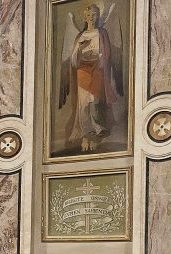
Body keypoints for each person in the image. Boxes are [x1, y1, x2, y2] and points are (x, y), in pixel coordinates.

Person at [58, 3, 123, 153]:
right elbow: (73, 59)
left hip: (97, 70)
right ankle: (87, 132)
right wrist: (81, 50)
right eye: (89, 15)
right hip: (83, 71)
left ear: (98, 16)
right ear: (85, 17)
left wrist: (99, 58)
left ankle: (97, 129)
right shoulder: (80, 36)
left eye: (94, 15)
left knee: (95, 101)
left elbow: (107, 53)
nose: (91, 17)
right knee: (83, 103)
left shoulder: (102, 33)